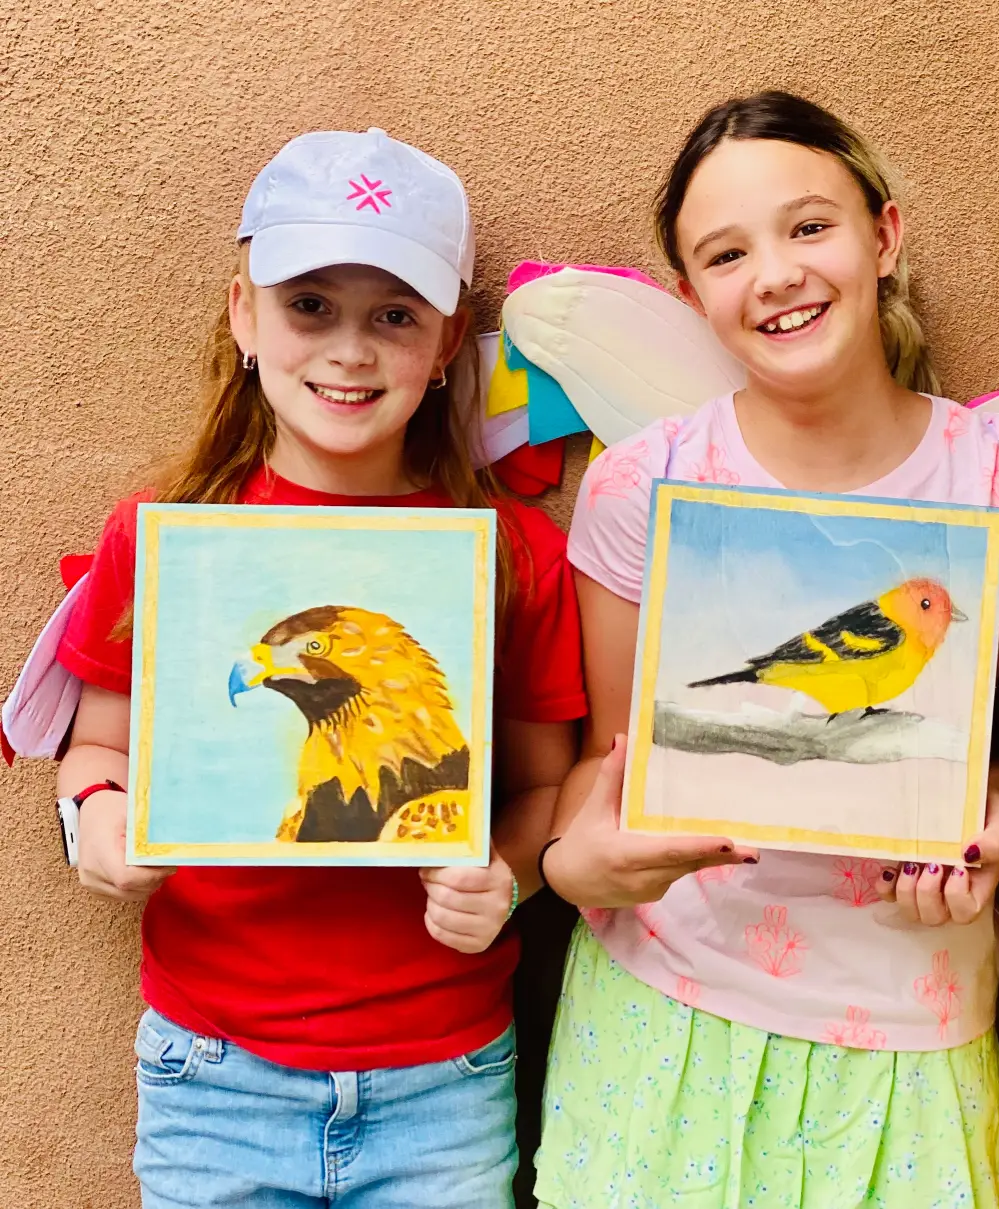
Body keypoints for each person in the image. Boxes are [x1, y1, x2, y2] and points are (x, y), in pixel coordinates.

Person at [54, 128, 587, 1208]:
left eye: (393, 315)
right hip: (212, 1075)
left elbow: (543, 787)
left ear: (445, 345)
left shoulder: (514, 555)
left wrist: (509, 875)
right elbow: (93, 747)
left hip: (444, 1075)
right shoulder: (161, 539)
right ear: (243, 314)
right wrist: (98, 819)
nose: (349, 350)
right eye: (310, 305)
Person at [532, 90, 999, 1209]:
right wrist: (579, 865)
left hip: (915, 1029)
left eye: (808, 226)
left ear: (884, 236)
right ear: (692, 296)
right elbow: (593, 770)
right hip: (665, 1020)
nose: (774, 272)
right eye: (726, 252)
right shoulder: (642, 487)